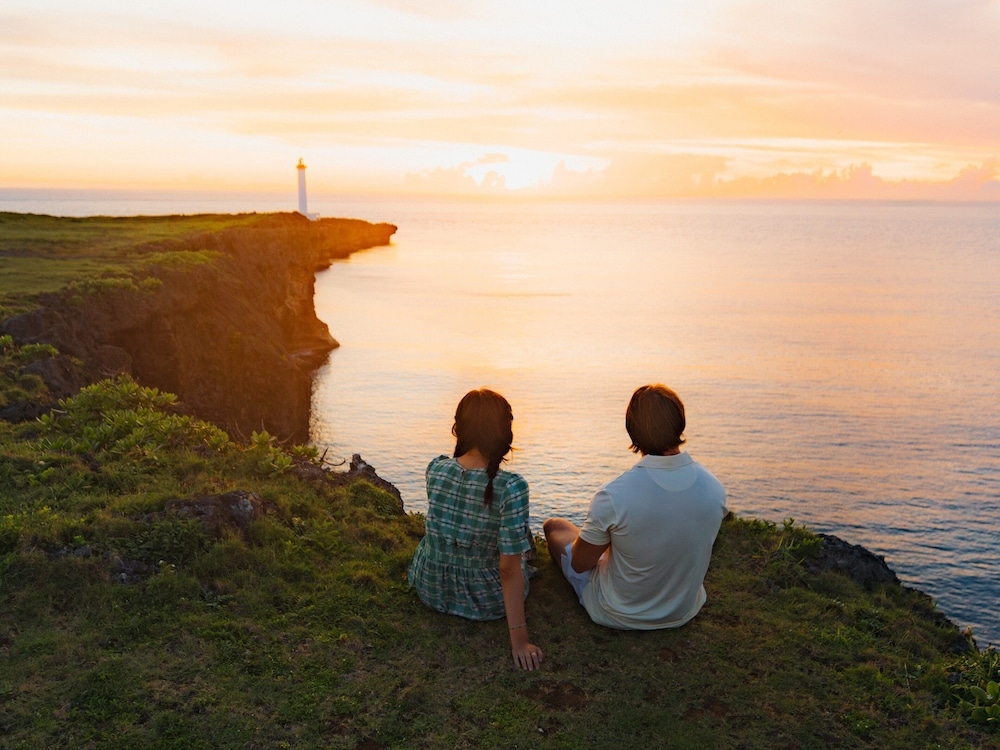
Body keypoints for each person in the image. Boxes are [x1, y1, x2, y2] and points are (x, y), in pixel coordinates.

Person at [543, 384, 727, 630]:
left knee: (555, 526)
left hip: (618, 612)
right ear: (679, 423)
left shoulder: (615, 495)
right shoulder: (713, 488)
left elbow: (580, 564)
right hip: (683, 610)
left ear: (633, 430)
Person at [408, 388, 543, 670]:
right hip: (486, 598)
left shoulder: (436, 468)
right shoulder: (512, 486)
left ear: (458, 428)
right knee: (517, 546)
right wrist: (520, 641)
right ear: (504, 434)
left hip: (431, 587)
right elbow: (508, 570)